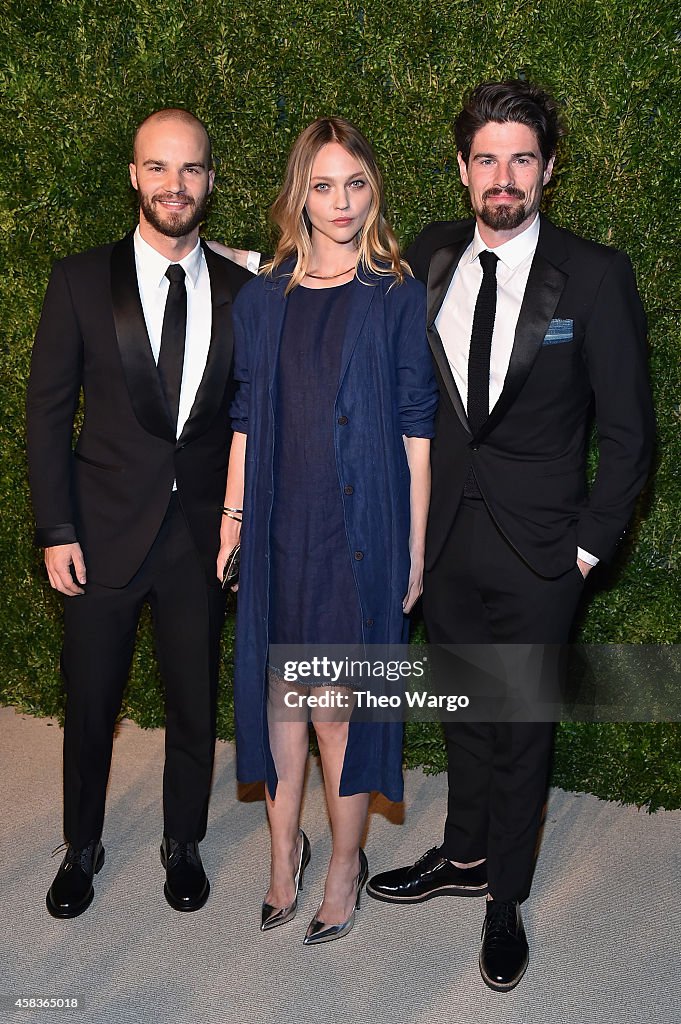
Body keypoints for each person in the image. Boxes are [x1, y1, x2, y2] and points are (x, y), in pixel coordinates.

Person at [366, 80, 655, 990]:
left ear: (547, 168)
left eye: (520, 158)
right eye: (486, 159)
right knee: (461, 710)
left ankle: (505, 902)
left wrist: (585, 547)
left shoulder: (594, 275)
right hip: (443, 539)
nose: (503, 176)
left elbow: (630, 432)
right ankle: (461, 855)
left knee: (521, 725)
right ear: (461, 170)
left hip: (542, 554)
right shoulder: (431, 255)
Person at [26, 108, 252, 918]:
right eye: (158, 167)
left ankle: (182, 841)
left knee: (194, 703)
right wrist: (55, 529)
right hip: (98, 533)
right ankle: (81, 846)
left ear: (210, 180)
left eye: (190, 168)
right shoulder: (80, 280)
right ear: (133, 175)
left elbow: (246, 420)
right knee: (90, 705)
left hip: (198, 541)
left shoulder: (243, 290)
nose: (174, 184)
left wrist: (235, 517)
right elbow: (47, 414)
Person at [217, 116, 437, 944]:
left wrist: (413, 549)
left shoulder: (395, 294)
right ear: (297, 194)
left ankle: (345, 864)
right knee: (280, 703)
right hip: (278, 525)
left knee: (337, 711)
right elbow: (243, 419)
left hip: (361, 532)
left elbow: (417, 430)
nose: (340, 202)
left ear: (371, 189)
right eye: (322, 184)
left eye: (355, 183)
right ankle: (285, 852)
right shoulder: (261, 299)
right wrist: (232, 520)